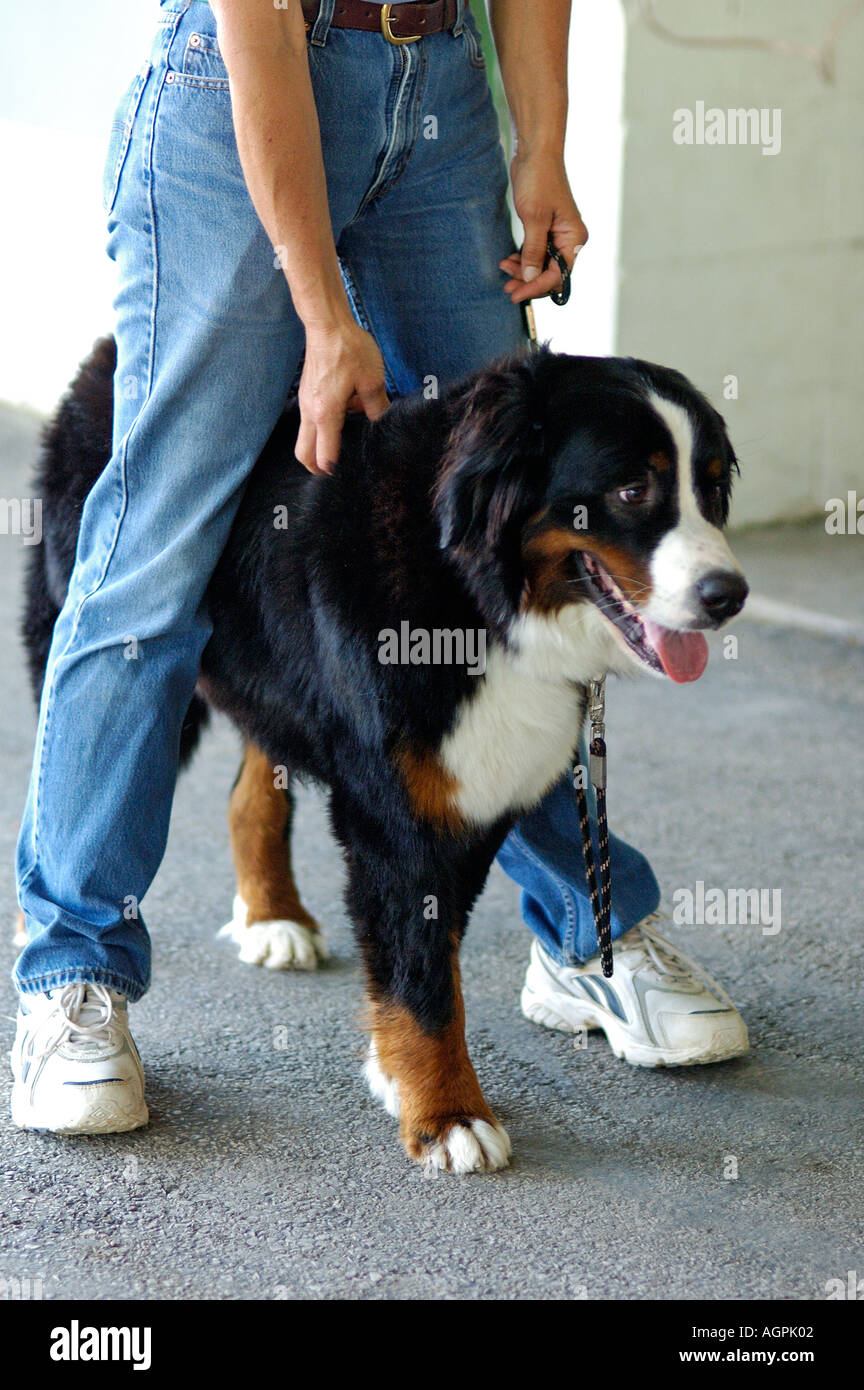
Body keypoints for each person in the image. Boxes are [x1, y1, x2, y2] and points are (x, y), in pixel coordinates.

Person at [11, 0, 747, 1135]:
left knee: (515, 544)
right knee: (152, 557)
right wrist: (318, 309)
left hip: (441, 85)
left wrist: (540, 144)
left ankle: (586, 929)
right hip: (244, 82)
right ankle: (75, 974)